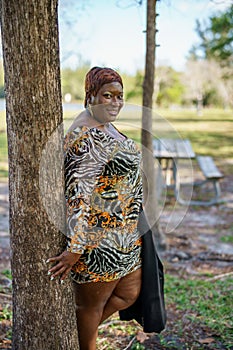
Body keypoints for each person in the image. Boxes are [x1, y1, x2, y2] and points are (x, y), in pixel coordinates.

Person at [47, 66, 144, 350]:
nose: (115, 102)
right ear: (90, 95)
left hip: (126, 236)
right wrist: (76, 248)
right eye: (107, 95)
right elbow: (79, 195)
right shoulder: (85, 135)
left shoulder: (106, 125)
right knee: (89, 309)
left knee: (129, 294)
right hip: (98, 241)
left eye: (119, 96)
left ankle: (72, 337)